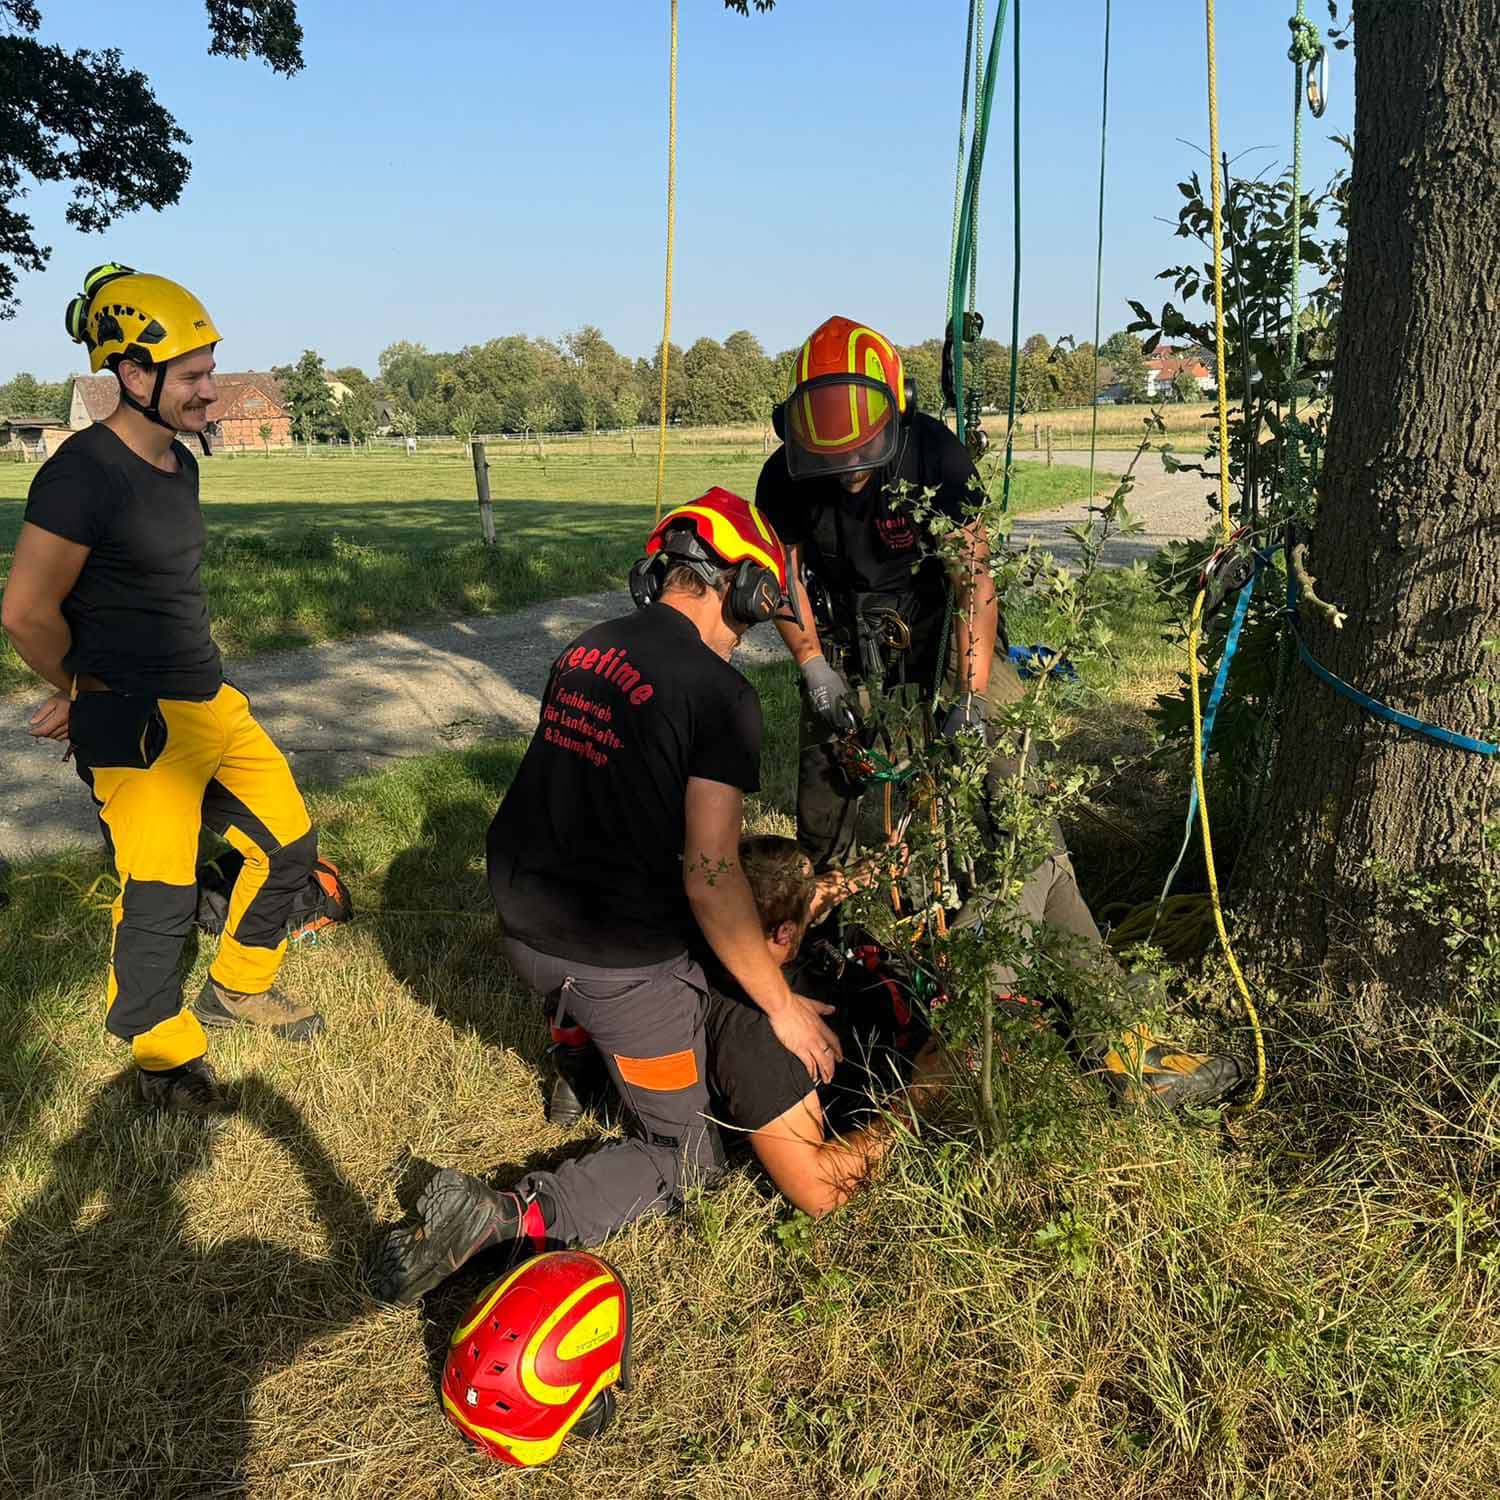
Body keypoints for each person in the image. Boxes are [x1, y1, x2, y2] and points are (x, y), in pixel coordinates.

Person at [755, 315, 1241, 1107]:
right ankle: (814, 1015)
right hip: (846, 658)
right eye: (827, 461)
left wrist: (973, 696)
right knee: (827, 830)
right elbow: (786, 579)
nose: (844, 474)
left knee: (1020, 831)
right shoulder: (783, 478)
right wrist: (812, 667)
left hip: (951, 643)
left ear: (893, 415)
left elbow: (973, 577)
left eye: (858, 461)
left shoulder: (934, 454)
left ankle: (1121, 1040)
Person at [372, 487, 842, 1302]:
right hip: (607, 961)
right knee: (689, 1153)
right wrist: (781, 1004)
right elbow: (710, 874)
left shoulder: (587, 647)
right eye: (755, 613)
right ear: (742, 589)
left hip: (522, 922)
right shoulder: (722, 695)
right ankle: (502, 1220)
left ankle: (579, 1058)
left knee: (633, 968)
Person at [0, 264, 325, 1118]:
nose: (212, 391)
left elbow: (141, 596)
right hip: (138, 722)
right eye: (193, 376)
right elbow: (26, 611)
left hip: (208, 696)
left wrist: (89, 678)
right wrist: (87, 687)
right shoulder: (81, 475)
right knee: (160, 896)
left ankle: (238, 985)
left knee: (289, 846)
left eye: (212, 370)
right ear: (131, 375)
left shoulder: (180, 464)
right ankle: (160, 1057)